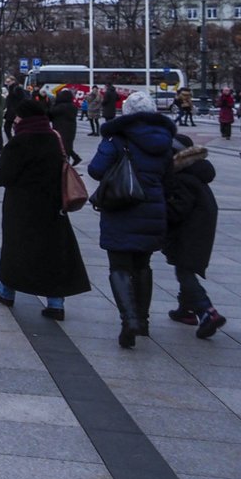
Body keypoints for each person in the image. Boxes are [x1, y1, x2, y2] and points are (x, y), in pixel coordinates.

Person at [0, 98, 91, 319]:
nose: (14, 119)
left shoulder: (19, 142)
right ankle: (55, 303)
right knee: (52, 253)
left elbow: (2, 177)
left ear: (24, 118)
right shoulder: (54, 139)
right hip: (52, 208)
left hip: (22, 209)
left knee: (15, 250)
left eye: (16, 115)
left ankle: (6, 291)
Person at [87, 90, 173, 349]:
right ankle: (143, 320)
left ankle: (129, 320)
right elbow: (169, 177)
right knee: (143, 265)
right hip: (153, 208)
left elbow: (95, 169)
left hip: (122, 206)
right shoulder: (165, 139)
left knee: (120, 266)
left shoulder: (117, 137)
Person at [164, 134, 226, 338]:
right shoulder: (195, 173)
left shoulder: (183, 178)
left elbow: (178, 210)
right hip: (199, 229)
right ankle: (186, 311)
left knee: (184, 270)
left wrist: (164, 208)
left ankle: (208, 312)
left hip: (190, 232)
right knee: (184, 267)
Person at [48, 88, 80, 166]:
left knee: (62, 145)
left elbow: (50, 113)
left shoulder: (61, 106)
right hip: (70, 128)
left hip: (61, 128)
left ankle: (65, 163)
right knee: (67, 145)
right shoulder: (72, 106)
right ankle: (74, 158)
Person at [2, 76, 26, 142]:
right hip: (11, 112)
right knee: (8, 127)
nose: (7, 83)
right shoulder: (10, 88)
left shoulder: (17, 88)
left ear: (13, 81)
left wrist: (19, 113)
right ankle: (13, 141)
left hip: (15, 112)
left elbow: (22, 100)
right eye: (6, 82)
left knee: (14, 128)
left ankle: (16, 141)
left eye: (9, 82)